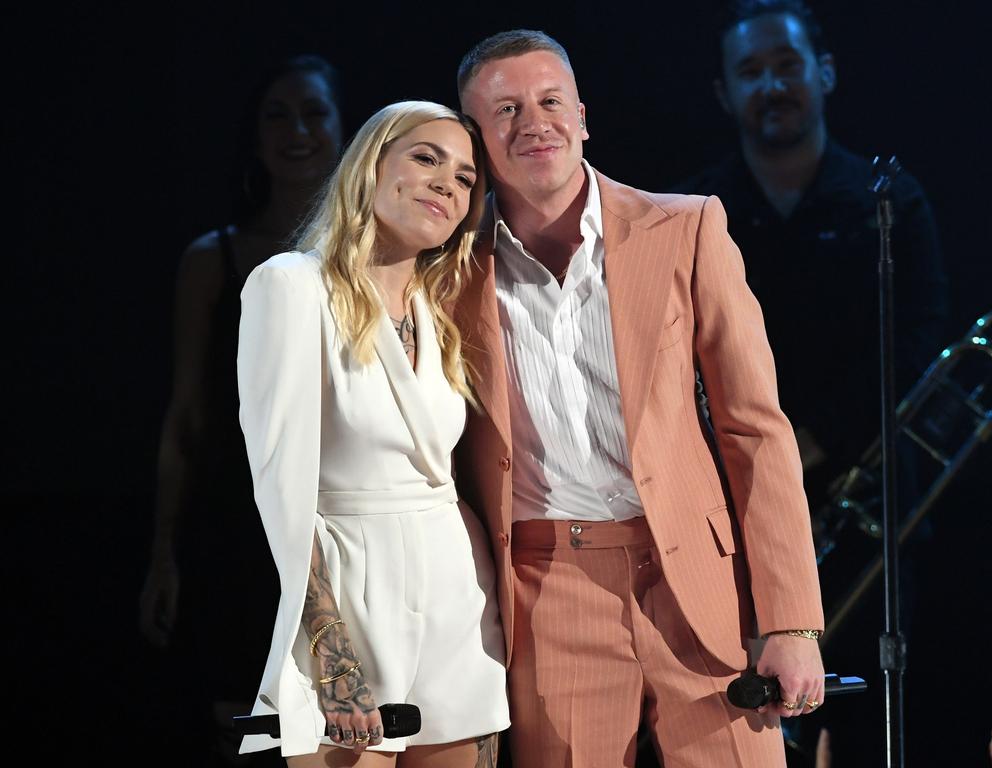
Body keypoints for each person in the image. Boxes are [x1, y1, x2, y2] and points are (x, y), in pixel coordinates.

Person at [453, 29, 825, 767]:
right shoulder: (449, 276)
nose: (535, 123)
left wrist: (793, 620)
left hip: (698, 579)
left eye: (551, 100)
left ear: (583, 117)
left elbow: (755, 430)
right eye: (506, 110)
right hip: (548, 587)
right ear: (473, 137)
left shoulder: (685, 227)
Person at [236, 100, 510, 767]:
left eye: (467, 177)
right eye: (426, 157)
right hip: (349, 598)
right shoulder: (292, 286)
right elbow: (281, 490)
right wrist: (332, 651)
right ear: (369, 166)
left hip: (455, 605)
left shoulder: (438, 312)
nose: (450, 182)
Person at [139, 53, 345, 765]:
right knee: (248, 731)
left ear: (344, 131)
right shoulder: (214, 259)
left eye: (315, 112)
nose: (297, 130)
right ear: (254, 138)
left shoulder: (377, 256)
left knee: (342, 730)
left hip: (352, 527)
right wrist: (164, 552)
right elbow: (188, 413)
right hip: (239, 529)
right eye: (277, 114)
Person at [681, 0, 948, 507]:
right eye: (750, 72)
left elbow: (917, 339)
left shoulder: (891, 199)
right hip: (735, 486)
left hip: (871, 491)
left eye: (787, 66)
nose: (772, 87)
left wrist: (817, 440)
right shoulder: (690, 216)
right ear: (725, 95)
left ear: (824, 73)